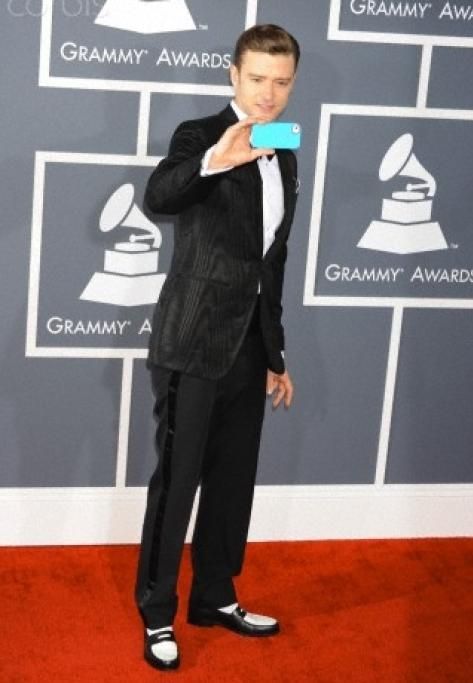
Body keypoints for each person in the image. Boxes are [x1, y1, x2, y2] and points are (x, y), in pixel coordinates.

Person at [135, 23, 300, 671]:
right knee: (177, 483)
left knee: (232, 482)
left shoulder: (286, 149)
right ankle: (157, 612)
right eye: (256, 78)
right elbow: (160, 194)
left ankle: (214, 596)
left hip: (248, 346)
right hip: (194, 339)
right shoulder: (199, 134)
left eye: (281, 82)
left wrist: (275, 354)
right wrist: (216, 161)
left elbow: (271, 262)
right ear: (233, 74)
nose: (267, 94)